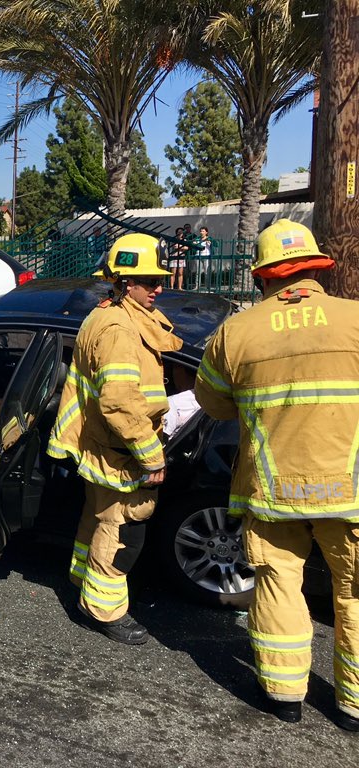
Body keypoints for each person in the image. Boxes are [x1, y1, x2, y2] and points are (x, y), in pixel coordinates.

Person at [194, 219, 359, 730]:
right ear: (316, 270)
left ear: (264, 277)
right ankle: (353, 706)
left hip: (272, 489)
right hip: (351, 489)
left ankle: (285, 694)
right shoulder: (355, 319)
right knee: (353, 591)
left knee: (279, 582)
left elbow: (213, 405)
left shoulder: (237, 332)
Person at [47, 233, 182, 645]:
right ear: (124, 282)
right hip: (121, 451)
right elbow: (120, 403)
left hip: (103, 447)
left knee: (99, 520)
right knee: (122, 530)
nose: (159, 287)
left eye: (159, 279)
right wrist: (152, 457)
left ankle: (84, 585)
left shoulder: (106, 315)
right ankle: (104, 610)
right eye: (148, 280)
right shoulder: (119, 330)